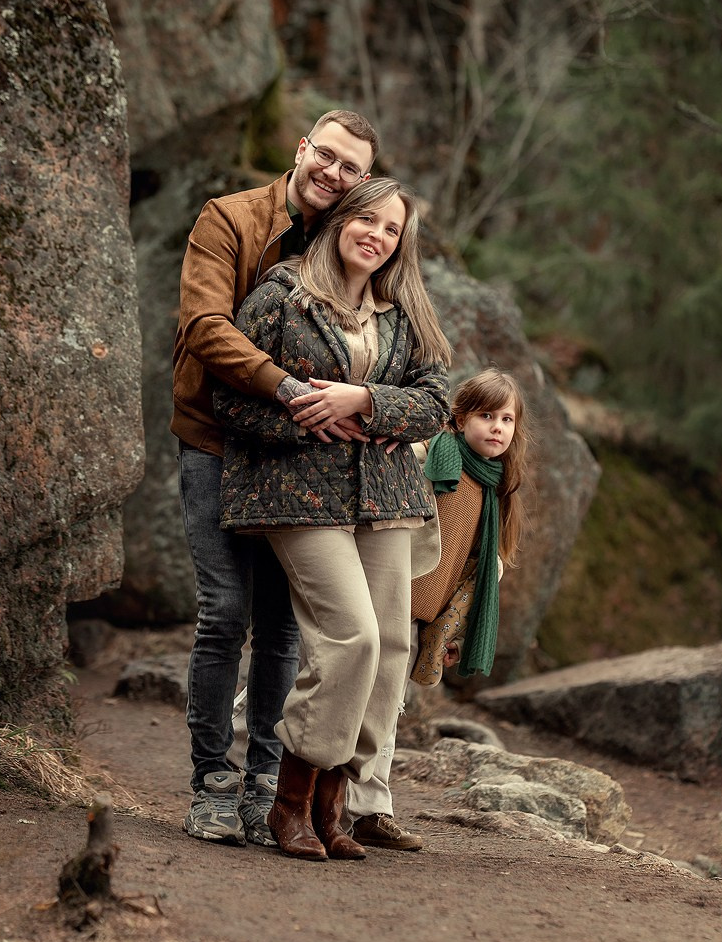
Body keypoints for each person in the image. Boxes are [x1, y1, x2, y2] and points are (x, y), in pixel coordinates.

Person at [213, 178, 452, 861]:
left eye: (390, 228)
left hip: (386, 498)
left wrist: (363, 400)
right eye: (365, 219)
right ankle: (287, 800)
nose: (375, 235)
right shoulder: (279, 296)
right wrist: (306, 422)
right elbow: (228, 402)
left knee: (390, 652)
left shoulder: (403, 310)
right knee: (352, 639)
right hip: (296, 497)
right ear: (340, 220)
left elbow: (435, 403)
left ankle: (333, 802)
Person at [172, 109, 379, 847]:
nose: (333, 172)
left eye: (349, 167)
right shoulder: (229, 219)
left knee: (284, 625)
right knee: (224, 610)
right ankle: (211, 783)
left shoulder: (345, 239)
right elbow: (204, 325)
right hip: (216, 442)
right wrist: (291, 389)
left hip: (298, 463)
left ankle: (267, 782)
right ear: (302, 149)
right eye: (325, 156)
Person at [346, 366, 531, 848]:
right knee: (336, 686)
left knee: (387, 708)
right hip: (384, 594)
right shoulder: (430, 455)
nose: (497, 427)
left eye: (507, 419)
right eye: (486, 415)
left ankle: (368, 810)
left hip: (423, 613)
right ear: (459, 416)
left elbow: (473, 568)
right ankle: (257, 769)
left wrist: (447, 631)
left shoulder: (495, 487)